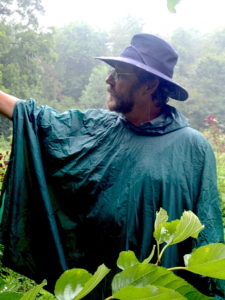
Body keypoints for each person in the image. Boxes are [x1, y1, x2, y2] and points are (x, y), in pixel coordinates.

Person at [0, 33, 224, 298]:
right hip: (101, 288)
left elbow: (207, 229)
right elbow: (40, 120)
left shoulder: (192, 148)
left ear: (150, 85)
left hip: (159, 291)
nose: (108, 80)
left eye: (119, 74)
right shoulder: (100, 129)